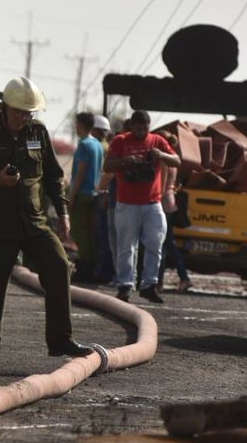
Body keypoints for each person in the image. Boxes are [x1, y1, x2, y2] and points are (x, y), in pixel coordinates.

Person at [0, 77, 94, 369]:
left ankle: (60, 341)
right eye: (19, 111)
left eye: (29, 112)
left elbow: (54, 175)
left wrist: (63, 212)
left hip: (34, 222)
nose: (23, 117)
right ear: (4, 106)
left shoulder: (38, 133)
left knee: (58, 266)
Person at [106, 110, 180, 303]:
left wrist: (161, 154)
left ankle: (149, 284)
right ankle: (125, 285)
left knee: (155, 242)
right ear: (131, 126)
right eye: (138, 129)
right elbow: (107, 166)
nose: (142, 132)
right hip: (127, 203)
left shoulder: (157, 141)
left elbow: (177, 160)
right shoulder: (120, 141)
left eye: (145, 129)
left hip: (152, 203)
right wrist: (125, 161)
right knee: (126, 246)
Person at [69, 112, 104, 283]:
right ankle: (91, 268)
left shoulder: (84, 145)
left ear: (81, 125)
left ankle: (84, 269)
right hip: (93, 193)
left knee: (80, 232)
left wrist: (71, 196)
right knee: (90, 234)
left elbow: (80, 172)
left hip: (82, 194)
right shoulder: (97, 144)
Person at [158, 131, 193, 293]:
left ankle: (160, 281)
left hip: (163, 202)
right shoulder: (173, 158)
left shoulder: (165, 160)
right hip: (170, 202)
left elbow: (162, 183)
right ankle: (183, 277)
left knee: (162, 244)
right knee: (168, 243)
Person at [91, 114, 117, 285]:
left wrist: (99, 188)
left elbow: (107, 175)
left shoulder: (102, 146)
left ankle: (104, 273)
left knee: (105, 237)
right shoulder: (105, 146)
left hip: (105, 195)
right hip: (107, 194)